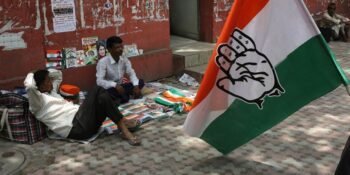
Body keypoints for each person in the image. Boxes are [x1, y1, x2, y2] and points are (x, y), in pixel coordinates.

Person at [24, 69, 141, 146]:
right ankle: (124, 127)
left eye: (50, 79)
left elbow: (58, 74)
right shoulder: (37, 102)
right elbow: (29, 86)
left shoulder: (51, 92)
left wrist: (43, 74)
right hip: (76, 128)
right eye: (48, 80)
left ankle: (122, 124)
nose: (51, 81)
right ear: (40, 85)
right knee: (97, 89)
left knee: (103, 98)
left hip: (85, 123)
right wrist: (33, 75)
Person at [96, 36, 144, 104]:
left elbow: (131, 73)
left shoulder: (124, 59)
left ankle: (123, 97)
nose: (121, 49)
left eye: (121, 47)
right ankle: (124, 97)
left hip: (122, 87)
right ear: (109, 49)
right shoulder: (103, 62)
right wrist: (114, 85)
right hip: (110, 88)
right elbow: (99, 81)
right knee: (106, 94)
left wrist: (136, 86)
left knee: (140, 82)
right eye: (117, 48)